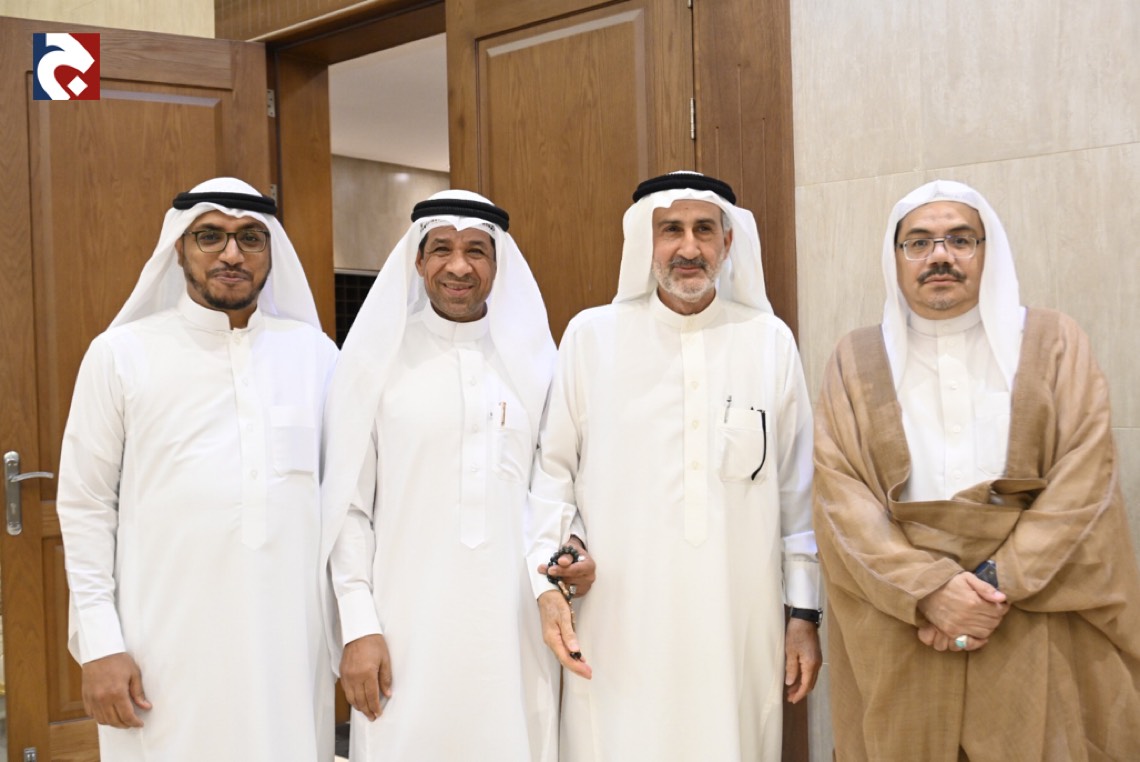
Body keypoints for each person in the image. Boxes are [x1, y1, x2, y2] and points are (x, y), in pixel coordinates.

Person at [813, 179, 1140, 760]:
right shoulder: (855, 360)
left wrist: (991, 585)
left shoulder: (1054, 341)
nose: (940, 256)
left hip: (1029, 611)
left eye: (961, 239)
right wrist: (929, 591)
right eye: (919, 242)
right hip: (906, 620)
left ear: (989, 251)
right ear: (896, 259)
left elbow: (1084, 479)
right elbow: (843, 501)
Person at [526, 171, 822, 761]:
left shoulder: (768, 341)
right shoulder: (591, 338)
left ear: (728, 243)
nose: (689, 247)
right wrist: (549, 583)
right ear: (647, 241)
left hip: (738, 623)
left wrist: (804, 614)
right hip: (618, 625)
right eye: (672, 230)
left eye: (704, 230)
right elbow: (553, 475)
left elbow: (797, 494)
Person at [56, 177, 338, 760]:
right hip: (162, 646)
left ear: (271, 253)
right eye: (210, 236)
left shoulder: (315, 356)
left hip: (287, 643)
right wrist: (101, 644)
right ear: (179, 248)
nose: (232, 254)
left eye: (250, 238)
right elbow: (85, 506)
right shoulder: (120, 355)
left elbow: (345, 502)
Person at [320, 190, 573, 761]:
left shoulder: (536, 365)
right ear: (418, 260)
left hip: (515, 630)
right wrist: (358, 625)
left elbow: (555, 488)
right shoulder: (375, 361)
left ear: (497, 264)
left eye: (476, 251)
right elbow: (349, 508)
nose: (459, 266)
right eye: (442, 249)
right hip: (402, 629)